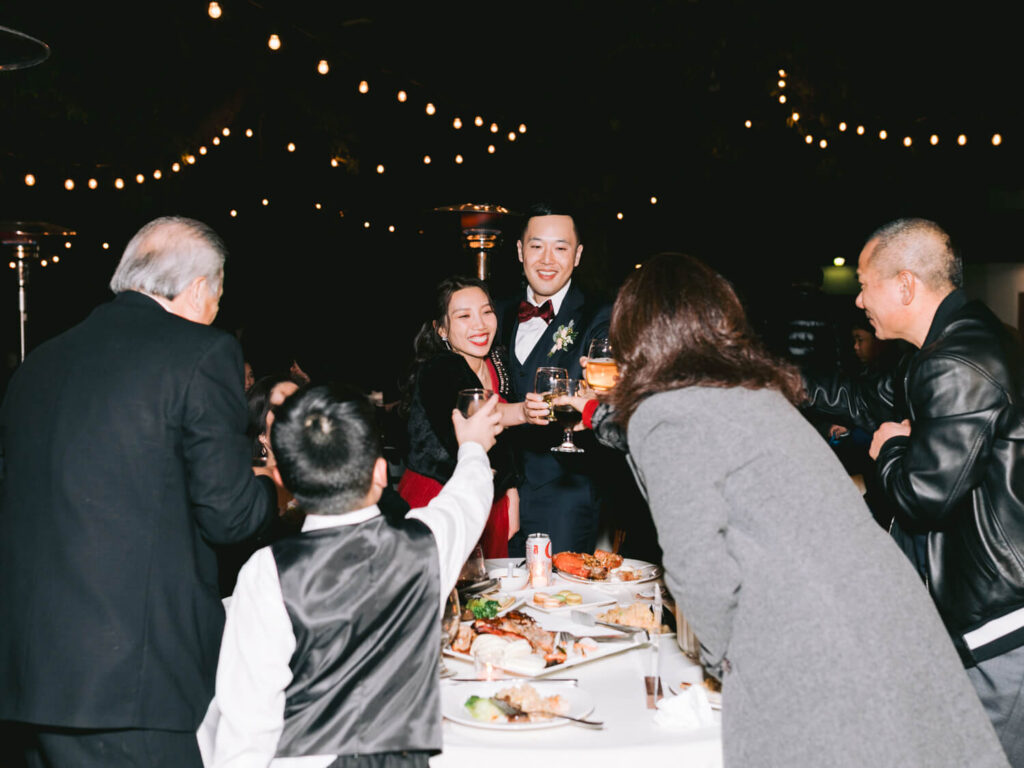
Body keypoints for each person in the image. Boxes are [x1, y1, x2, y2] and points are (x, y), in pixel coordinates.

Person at [561, 252, 1009, 767]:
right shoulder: (753, 394)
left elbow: (697, 569)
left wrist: (729, 665)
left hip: (813, 643)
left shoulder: (667, 414)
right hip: (891, 617)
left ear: (633, 335)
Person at [0, 216, 277, 767]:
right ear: (198, 288)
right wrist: (273, 487)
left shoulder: (38, 364)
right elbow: (229, 516)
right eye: (217, 299)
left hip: (33, 681)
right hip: (136, 683)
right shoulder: (202, 352)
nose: (215, 312)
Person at [804, 218, 1024, 764]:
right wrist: (778, 380)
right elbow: (861, 399)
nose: (858, 300)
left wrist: (891, 448)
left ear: (905, 285)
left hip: (998, 621)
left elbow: (924, 498)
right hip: (976, 609)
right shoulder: (940, 347)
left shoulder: (957, 360)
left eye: (864, 285)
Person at [209, 384, 500, 767]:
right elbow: (467, 497)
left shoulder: (267, 572)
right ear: (380, 473)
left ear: (283, 479)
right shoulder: (426, 544)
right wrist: (473, 446)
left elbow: (246, 726)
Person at [495, 203, 613, 556]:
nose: (547, 259)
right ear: (520, 251)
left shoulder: (600, 315)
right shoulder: (495, 312)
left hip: (565, 493)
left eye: (560, 248)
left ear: (577, 256)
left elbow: (608, 390)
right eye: (537, 246)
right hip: (496, 489)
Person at [399, 275, 533, 557]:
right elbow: (479, 416)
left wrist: (511, 493)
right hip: (441, 499)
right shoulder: (441, 367)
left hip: (489, 497)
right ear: (441, 329)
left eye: (486, 312)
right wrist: (524, 411)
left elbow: (507, 445)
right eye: (464, 316)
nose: (480, 324)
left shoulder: (498, 362)